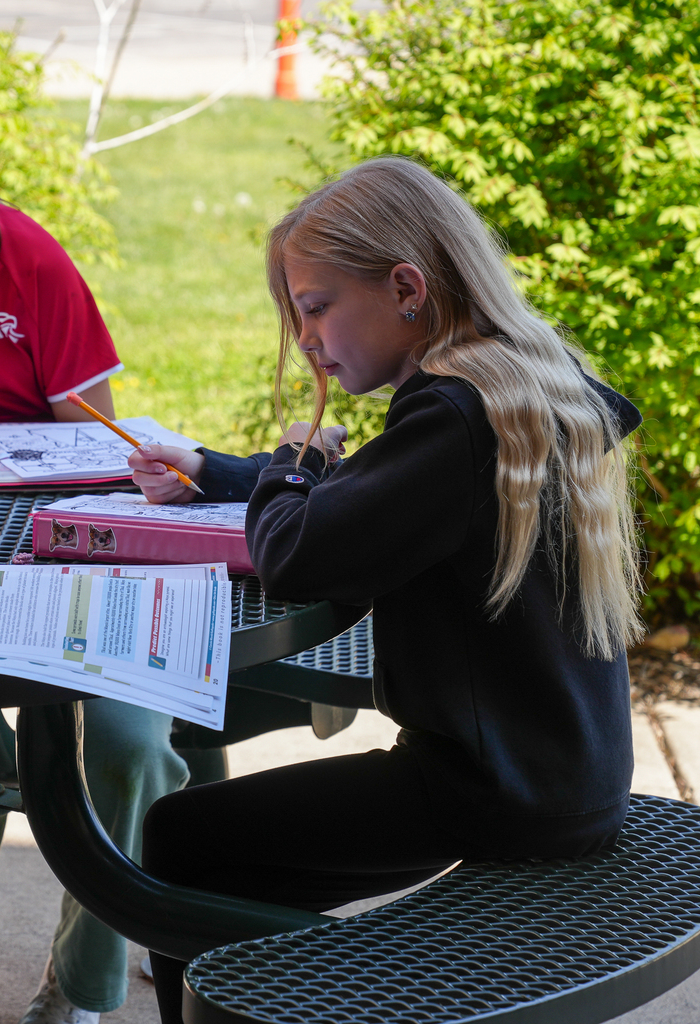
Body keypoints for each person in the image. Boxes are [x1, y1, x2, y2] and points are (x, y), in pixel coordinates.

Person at [129, 156, 644, 1024]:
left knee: (181, 838)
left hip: (484, 796)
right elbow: (372, 489)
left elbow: (298, 552)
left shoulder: (451, 418)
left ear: (406, 287)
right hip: (564, 776)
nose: (304, 338)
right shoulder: (511, 379)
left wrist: (293, 461)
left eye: (316, 307)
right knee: (233, 866)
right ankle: (285, 995)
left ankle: (248, 1003)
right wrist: (224, 473)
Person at [0, 105, 191, 1024]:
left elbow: (96, 451)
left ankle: (84, 988)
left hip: (55, 542)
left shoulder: (26, 259)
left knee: (133, 744)